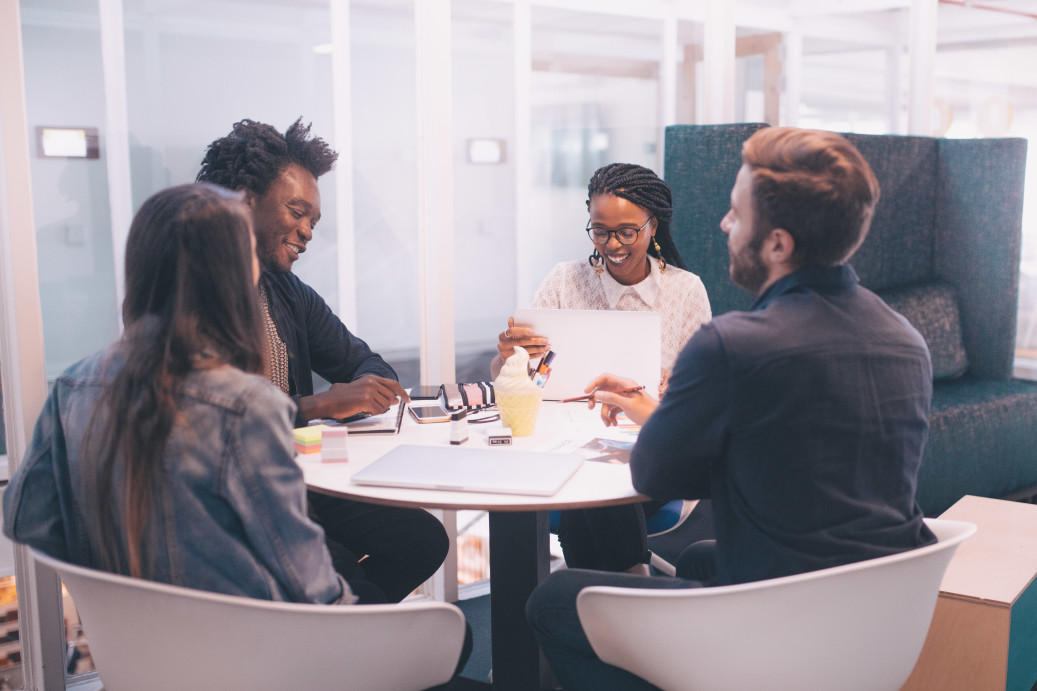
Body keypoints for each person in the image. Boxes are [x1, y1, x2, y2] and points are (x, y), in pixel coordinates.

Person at [525, 127, 938, 690]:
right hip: (876, 622)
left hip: (771, 624)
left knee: (552, 601)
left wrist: (660, 411)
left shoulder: (734, 344)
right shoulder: (907, 341)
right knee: (697, 557)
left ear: (777, 245)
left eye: (736, 215)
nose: (724, 225)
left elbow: (654, 473)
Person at [3, 184, 353, 605]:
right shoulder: (248, 406)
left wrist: (115, 583)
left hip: (132, 656)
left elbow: (24, 519)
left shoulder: (73, 386)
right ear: (232, 277)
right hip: (251, 657)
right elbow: (314, 588)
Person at [197, 118, 447, 603]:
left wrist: (362, 390)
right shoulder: (194, 299)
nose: (307, 232)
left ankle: (339, 640)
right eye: (298, 211)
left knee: (423, 540)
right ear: (246, 200)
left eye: (313, 221)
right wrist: (319, 405)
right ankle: (345, 642)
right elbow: (211, 420)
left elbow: (370, 365)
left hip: (296, 482)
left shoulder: (287, 292)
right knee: (357, 590)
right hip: (234, 501)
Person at [493, 163, 712, 574]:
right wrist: (508, 355)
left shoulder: (685, 290)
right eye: (600, 230)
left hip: (648, 447)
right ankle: (626, 585)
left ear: (653, 226)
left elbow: (701, 403)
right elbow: (522, 377)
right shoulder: (564, 280)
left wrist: (672, 388)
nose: (613, 244)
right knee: (586, 485)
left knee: (597, 485)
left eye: (627, 231)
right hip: (561, 441)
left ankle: (610, 587)